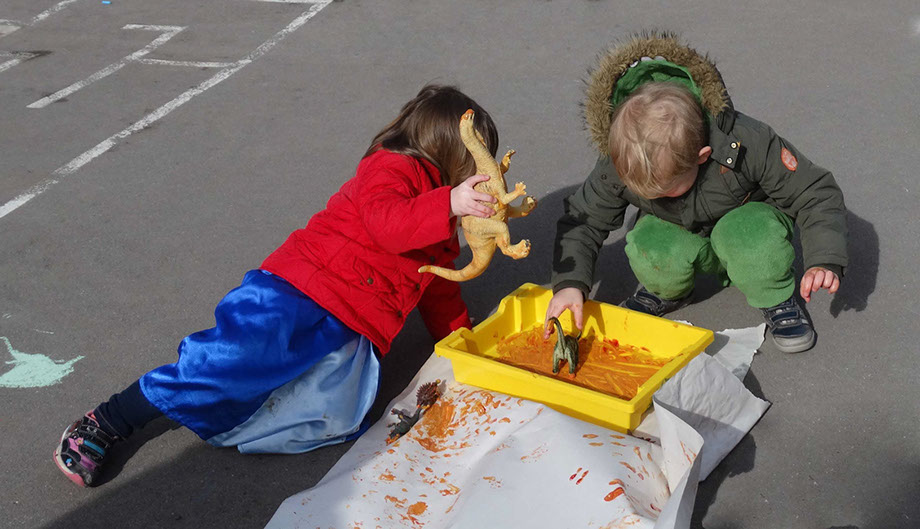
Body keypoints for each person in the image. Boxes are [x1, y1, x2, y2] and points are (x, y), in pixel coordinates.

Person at [54, 84, 502, 487]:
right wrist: (448, 201)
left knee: (329, 406)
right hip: (299, 292)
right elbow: (388, 226)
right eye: (472, 165)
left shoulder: (444, 218)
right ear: (446, 153)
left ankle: (242, 415)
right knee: (226, 362)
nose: (477, 180)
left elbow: (439, 283)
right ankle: (111, 419)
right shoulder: (391, 167)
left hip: (354, 322)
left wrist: (460, 339)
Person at [544, 32, 847, 354]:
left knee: (747, 238)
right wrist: (570, 284)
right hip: (681, 227)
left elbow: (814, 193)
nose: (657, 195)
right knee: (650, 244)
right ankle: (667, 290)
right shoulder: (619, 160)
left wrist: (824, 260)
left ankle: (776, 296)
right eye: (644, 191)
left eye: (667, 188)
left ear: (701, 156)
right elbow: (583, 221)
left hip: (745, 219)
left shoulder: (745, 141)